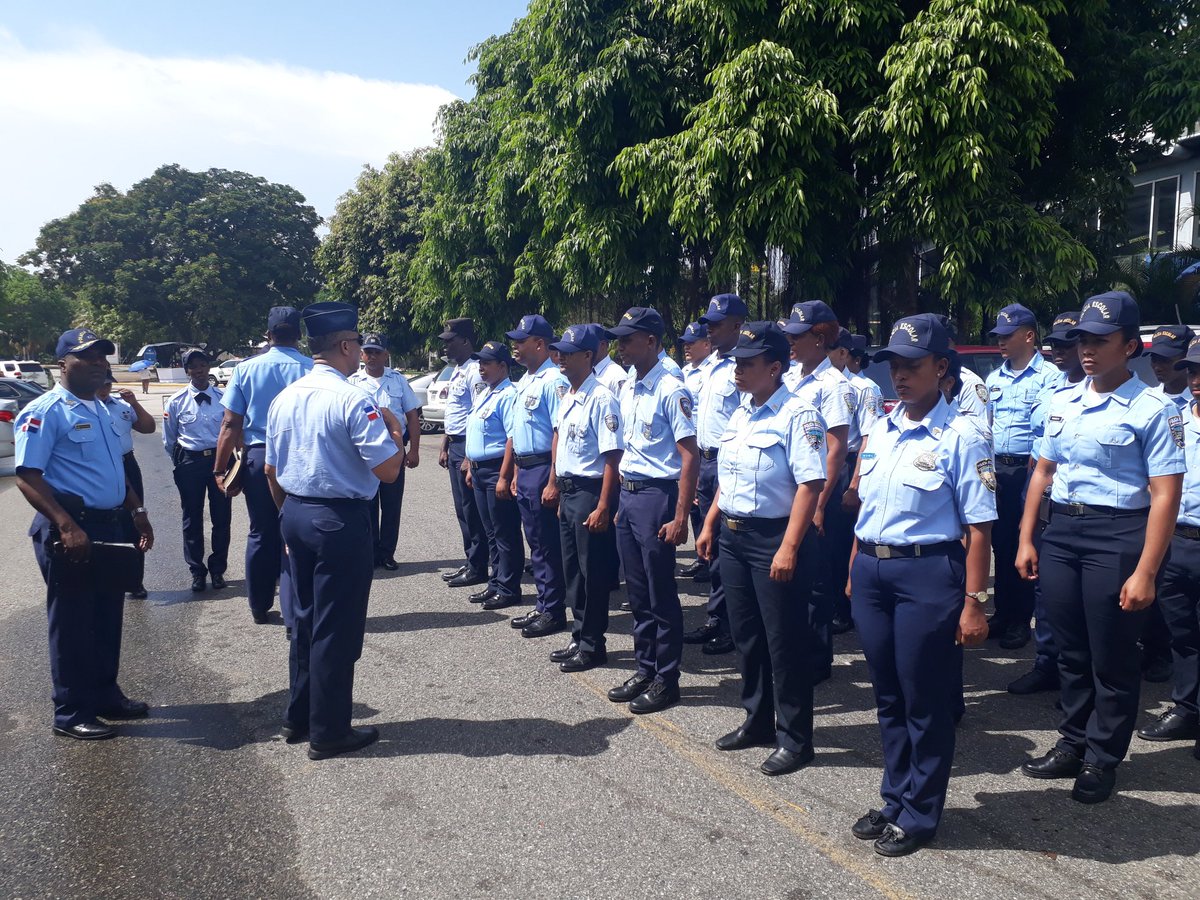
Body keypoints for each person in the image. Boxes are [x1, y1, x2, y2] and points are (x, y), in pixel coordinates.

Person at [1017, 291, 1184, 804]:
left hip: (1118, 535)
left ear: (1130, 346)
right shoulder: (1063, 401)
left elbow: (1165, 495)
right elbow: (1043, 471)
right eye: (1082, 340)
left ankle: (1102, 756)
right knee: (1070, 650)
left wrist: (1147, 571)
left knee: (1111, 654)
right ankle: (1072, 741)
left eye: (1099, 340)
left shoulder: (1153, 409)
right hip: (1063, 532)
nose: (1086, 349)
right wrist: (1026, 537)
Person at [848, 314, 995, 857]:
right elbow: (867, 510)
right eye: (894, 365)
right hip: (873, 571)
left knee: (923, 698)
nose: (901, 375)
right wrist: (854, 567)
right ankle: (895, 798)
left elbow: (979, 529)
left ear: (941, 368)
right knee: (887, 695)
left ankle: (920, 813)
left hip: (927, 574)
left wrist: (975, 603)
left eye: (913, 365)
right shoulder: (883, 428)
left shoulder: (963, 436)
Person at [264, 302, 406, 760]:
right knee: (336, 628)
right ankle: (329, 731)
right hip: (339, 520)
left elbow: (270, 470)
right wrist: (396, 432)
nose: (361, 352)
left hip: (295, 512)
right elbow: (388, 470)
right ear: (345, 346)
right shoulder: (352, 399)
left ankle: (299, 715)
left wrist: (288, 518)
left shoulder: (285, 397)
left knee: (304, 620)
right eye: (358, 344)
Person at [696, 321, 827, 776]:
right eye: (737, 363)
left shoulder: (799, 415)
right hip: (734, 537)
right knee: (747, 636)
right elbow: (728, 477)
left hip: (775, 538)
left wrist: (789, 546)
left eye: (748, 364)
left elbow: (810, 485)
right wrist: (710, 523)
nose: (738, 371)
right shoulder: (741, 414)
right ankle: (757, 720)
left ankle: (796, 738)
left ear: (774, 368)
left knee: (784, 641)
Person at [15, 328, 155, 740]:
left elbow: (113, 469)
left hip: (110, 522)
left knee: (107, 615)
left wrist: (137, 510)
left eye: (102, 357)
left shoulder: (103, 408)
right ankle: (71, 711)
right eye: (87, 356)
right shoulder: (46, 411)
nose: (98, 363)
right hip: (71, 528)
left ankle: (105, 695)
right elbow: (27, 476)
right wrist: (66, 524)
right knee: (73, 622)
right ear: (62, 364)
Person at [605, 307, 699, 714]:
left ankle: (667, 678)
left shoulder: (671, 389)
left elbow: (689, 455)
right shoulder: (630, 385)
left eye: (628, 339)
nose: (621, 347)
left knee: (661, 593)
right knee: (638, 592)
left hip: (657, 496)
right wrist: (619, 502)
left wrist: (680, 516)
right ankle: (645, 668)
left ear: (651, 341)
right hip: (630, 497)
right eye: (619, 340)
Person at [216, 307, 312, 625]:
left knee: (261, 531)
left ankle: (259, 605)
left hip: (259, 455)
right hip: (301, 456)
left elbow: (230, 423)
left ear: (268, 335)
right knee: (296, 532)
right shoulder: (312, 368)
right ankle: (296, 610)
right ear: (299, 335)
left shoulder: (246, 369)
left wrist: (219, 468)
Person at [1007, 311, 1084, 695]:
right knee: (1044, 586)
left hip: (1083, 507)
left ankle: (1080, 678)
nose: (1059, 351)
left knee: (1083, 598)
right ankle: (1047, 664)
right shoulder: (1051, 389)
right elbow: (1037, 450)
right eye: (1054, 344)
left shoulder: (1107, 395)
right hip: (1041, 494)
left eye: (1069, 344)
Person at [781, 300, 854, 683]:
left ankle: (816, 658)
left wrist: (820, 504)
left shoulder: (834, 385)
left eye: (798, 335)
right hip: (788, 491)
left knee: (816, 578)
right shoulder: (790, 377)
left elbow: (835, 448)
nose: (791, 342)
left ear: (820, 338)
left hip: (818, 491)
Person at [547, 324, 623, 671]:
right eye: (559, 351)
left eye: (568, 352)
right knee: (573, 572)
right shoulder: (569, 395)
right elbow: (561, 444)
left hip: (590, 493)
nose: (560, 357)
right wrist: (556, 486)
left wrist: (604, 505)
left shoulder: (602, 398)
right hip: (569, 492)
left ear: (589, 355)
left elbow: (612, 457)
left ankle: (593, 645)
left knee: (592, 573)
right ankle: (579, 636)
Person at [1137, 334, 1200, 749]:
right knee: (1183, 635)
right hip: (1177, 542)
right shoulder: (1176, 422)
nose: (1196, 380)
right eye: (1192, 370)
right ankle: (1187, 709)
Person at [985, 303, 1057, 650]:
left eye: (1007, 335)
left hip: (1029, 470)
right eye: (998, 335)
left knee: (1024, 542)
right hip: (997, 468)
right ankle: (1002, 613)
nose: (1001, 341)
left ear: (1029, 336)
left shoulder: (1050, 377)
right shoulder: (993, 378)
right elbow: (986, 425)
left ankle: (1019, 620)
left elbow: (1047, 430)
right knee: (999, 543)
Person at [684, 294, 749, 656]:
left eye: (718, 323)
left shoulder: (746, 367)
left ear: (738, 325)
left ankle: (731, 626)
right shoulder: (709, 367)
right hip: (705, 463)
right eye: (708, 322)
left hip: (729, 465)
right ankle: (716, 618)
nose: (710, 328)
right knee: (710, 547)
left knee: (728, 548)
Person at [504, 314, 571, 639]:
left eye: (521, 341)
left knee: (547, 544)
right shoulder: (526, 380)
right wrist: (516, 472)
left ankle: (554, 610)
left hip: (544, 468)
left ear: (540, 343)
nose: (515, 346)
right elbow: (520, 433)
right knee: (536, 543)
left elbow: (560, 432)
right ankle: (544, 604)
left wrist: (553, 480)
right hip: (527, 468)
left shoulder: (553, 381)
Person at [349, 334, 422, 571]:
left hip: (394, 451)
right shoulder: (353, 382)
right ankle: (370, 553)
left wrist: (414, 450)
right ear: (362, 355)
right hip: (365, 454)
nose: (372, 356)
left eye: (377, 352)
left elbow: (412, 416)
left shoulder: (398, 380)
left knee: (391, 506)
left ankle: (387, 553)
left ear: (386, 354)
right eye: (367, 352)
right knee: (367, 504)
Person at [162, 350, 232, 593]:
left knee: (221, 517)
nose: (199, 370)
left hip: (219, 462)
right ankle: (197, 571)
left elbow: (232, 430)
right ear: (187, 371)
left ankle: (218, 570)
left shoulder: (224, 398)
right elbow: (169, 439)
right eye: (193, 366)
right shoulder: (176, 401)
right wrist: (181, 463)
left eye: (203, 364)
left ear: (208, 367)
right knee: (191, 518)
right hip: (190, 463)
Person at [826, 328, 880, 634]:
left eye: (828, 349)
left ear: (843, 353)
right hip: (819, 466)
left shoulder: (864, 388)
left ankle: (844, 609)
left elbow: (869, 440)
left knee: (841, 544)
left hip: (847, 465)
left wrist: (855, 484)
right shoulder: (815, 384)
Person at [464, 341, 524, 611]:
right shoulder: (486, 393)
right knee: (491, 532)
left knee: (505, 531)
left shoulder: (509, 394)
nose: (481, 368)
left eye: (487, 363)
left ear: (502, 366)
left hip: (496, 469)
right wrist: (470, 464)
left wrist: (504, 476)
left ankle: (509, 587)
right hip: (480, 470)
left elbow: (512, 438)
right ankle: (496, 582)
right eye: (480, 363)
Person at [438, 318, 490, 589]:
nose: (445, 347)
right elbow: (455, 413)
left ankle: (478, 566)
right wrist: (445, 444)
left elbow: (477, 414)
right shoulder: (458, 370)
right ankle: (471, 560)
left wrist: (470, 455)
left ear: (466, 341)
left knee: (471, 510)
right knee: (462, 509)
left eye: (450, 341)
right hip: (455, 444)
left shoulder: (474, 371)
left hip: (468, 446)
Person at [97, 370, 156, 599]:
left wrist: (134, 403)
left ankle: (135, 581)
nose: (104, 389)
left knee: (136, 519)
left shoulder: (121, 406)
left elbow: (148, 427)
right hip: (101, 468)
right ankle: (110, 580)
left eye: (107, 384)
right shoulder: (87, 409)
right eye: (100, 384)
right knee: (107, 522)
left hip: (126, 463)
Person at [678, 320, 715, 580]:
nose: (687, 347)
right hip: (693, 448)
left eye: (693, 343)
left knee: (709, 508)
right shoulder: (684, 373)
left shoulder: (712, 372)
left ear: (707, 344)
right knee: (695, 506)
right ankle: (702, 559)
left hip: (710, 451)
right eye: (685, 343)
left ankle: (712, 560)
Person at [591, 326, 628, 398]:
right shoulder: (588, 372)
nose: (583, 348)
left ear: (602, 345)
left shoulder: (617, 376)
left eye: (588, 343)